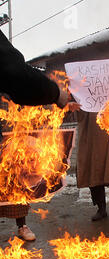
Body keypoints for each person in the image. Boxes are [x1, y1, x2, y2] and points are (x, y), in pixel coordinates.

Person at [0, 30, 77, 241]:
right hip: (3, 139)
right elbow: (16, 75)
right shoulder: (11, 78)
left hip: (15, 139)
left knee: (17, 181)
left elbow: (19, 81)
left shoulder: (22, 99)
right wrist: (55, 93)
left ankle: (22, 226)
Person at [75, 109, 109, 222]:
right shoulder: (82, 91)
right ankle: (101, 208)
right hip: (92, 135)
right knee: (94, 171)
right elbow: (79, 115)